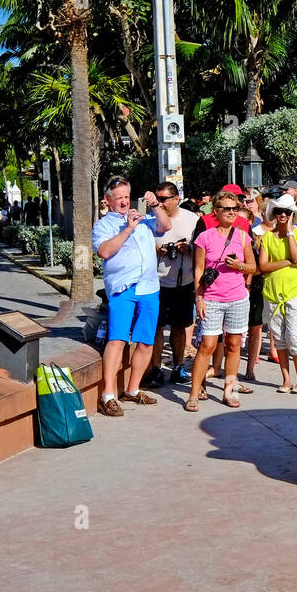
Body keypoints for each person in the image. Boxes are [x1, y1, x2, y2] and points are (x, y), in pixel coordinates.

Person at [92, 176, 171, 416]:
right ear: (108, 200)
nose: (125, 202)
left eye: (127, 196)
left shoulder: (144, 219)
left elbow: (165, 226)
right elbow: (104, 251)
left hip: (149, 287)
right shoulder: (103, 225)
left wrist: (156, 205)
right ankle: (108, 394)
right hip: (123, 288)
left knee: (146, 341)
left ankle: (133, 389)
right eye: (119, 198)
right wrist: (128, 228)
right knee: (117, 340)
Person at [185, 193, 257, 412]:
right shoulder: (204, 237)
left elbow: (253, 267)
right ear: (215, 211)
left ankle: (229, 390)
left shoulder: (243, 236)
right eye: (226, 208)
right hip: (212, 298)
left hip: (237, 297)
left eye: (235, 208)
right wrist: (199, 297)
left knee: (234, 345)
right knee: (207, 345)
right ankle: (194, 393)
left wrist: (240, 266)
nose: (232, 212)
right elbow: (198, 269)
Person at [146, 181, 198, 388]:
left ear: (177, 199)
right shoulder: (150, 220)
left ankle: (178, 367)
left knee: (179, 327)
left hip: (183, 281)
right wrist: (158, 250)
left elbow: (202, 249)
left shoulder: (192, 220)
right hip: (156, 282)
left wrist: (189, 249)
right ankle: (156, 369)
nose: (160, 203)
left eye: (164, 199)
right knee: (157, 328)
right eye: (157, 199)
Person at [258, 193, 297, 393]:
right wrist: (287, 262)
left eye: (287, 212)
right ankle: (286, 379)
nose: (282, 215)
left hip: (295, 290)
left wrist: (289, 233)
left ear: (292, 215)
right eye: (279, 211)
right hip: (272, 292)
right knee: (278, 336)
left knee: (295, 336)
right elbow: (263, 266)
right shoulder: (267, 237)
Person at [241, 187, 268, 382]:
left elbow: (260, 265)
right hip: (233, 285)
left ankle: (250, 367)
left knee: (255, 327)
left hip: (255, 285)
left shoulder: (258, 236)